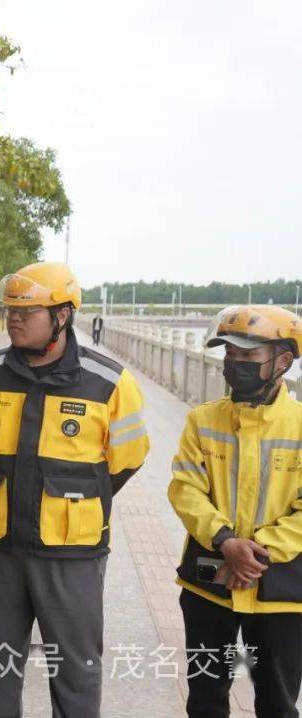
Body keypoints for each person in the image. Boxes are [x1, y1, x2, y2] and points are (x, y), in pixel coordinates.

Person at [0, 261, 149, 718]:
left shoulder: (108, 383)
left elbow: (126, 460)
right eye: (11, 310)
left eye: (26, 312)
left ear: (62, 316)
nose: (14, 319)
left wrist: (73, 499)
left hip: (72, 555)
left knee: (75, 674)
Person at [168, 305, 302, 718]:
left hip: (279, 591)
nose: (235, 364)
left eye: (248, 356)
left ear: (283, 360)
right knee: (206, 700)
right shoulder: (202, 420)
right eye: (230, 354)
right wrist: (226, 542)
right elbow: (185, 488)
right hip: (209, 581)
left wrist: (253, 552)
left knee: (278, 703)